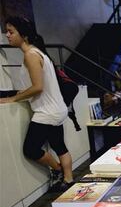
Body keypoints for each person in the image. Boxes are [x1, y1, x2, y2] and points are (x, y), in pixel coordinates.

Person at [0, 16, 73, 190]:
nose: (7, 36)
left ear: (23, 35)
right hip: (56, 109)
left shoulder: (31, 55)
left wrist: (13, 98)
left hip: (46, 112)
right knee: (59, 146)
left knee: (31, 149)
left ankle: (58, 170)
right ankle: (69, 180)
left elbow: (38, 87)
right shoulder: (38, 53)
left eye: (11, 32)